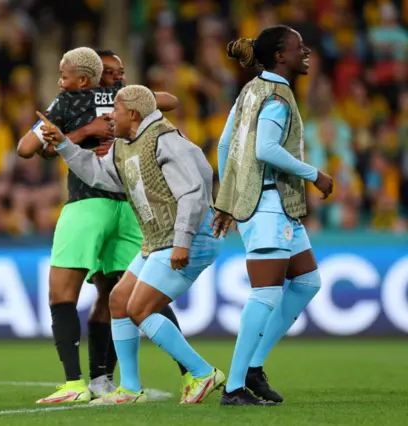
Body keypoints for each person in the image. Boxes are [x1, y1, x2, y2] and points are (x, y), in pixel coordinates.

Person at [38, 84, 226, 405]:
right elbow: (98, 175)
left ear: (135, 115)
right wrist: (65, 145)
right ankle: (130, 389)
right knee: (119, 299)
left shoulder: (167, 141)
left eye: (117, 110)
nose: (111, 115)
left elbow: (195, 192)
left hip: (189, 238)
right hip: (158, 240)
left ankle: (202, 372)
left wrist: (182, 241)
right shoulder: (124, 145)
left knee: (139, 309)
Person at [17, 47, 184, 403]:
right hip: (129, 205)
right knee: (121, 294)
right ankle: (174, 375)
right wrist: (90, 127)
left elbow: (28, 147)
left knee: (66, 293)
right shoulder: (125, 105)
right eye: (110, 72)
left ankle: (75, 384)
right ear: (95, 75)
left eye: (120, 74)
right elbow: (169, 100)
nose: (116, 79)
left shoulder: (70, 101)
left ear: (80, 77)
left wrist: (73, 132)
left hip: (90, 203)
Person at [213, 26, 333, 406]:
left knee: (308, 282)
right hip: (269, 204)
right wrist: (315, 174)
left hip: (269, 205)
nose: (306, 51)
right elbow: (265, 149)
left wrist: (229, 197)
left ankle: (252, 367)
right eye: (299, 47)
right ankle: (233, 388)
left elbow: (224, 144)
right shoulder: (278, 96)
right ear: (281, 56)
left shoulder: (250, 90)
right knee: (265, 294)